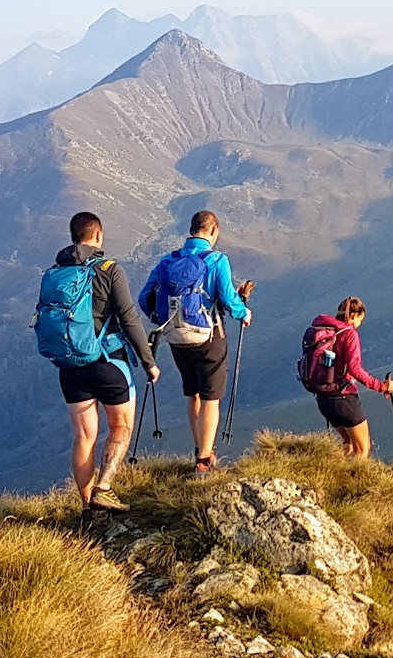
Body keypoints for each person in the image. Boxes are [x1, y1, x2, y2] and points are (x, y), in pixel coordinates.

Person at [32, 211, 158, 512]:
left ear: (74, 236)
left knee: (83, 436)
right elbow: (128, 317)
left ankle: (88, 507)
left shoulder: (55, 273)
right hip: (108, 363)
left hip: (70, 367)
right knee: (121, 426)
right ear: (98, 236)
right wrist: (148, 361)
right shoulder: (109, 269)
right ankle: (104, 488)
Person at [140, 208, 253, 472]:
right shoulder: (217, 260)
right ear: (213, 231)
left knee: (193, 394)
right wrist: (243, 313)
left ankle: (198, 448)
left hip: (176, 337)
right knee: (211, 396)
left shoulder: (168, 260)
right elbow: (226, 297)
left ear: (192, 230)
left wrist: (160, 319)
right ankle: (205, 459)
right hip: (208, 336)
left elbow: (145, 296)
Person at [297, 296, 393, 458]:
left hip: (323, 399)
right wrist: (381, 386)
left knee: (348, 443)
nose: (359, 325)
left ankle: (325, 472)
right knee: (362, 449)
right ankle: (355, 482)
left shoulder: (324, 329)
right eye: (360, 321)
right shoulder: (349, 334)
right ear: (354, 315)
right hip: (344, 398)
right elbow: (354, 368)